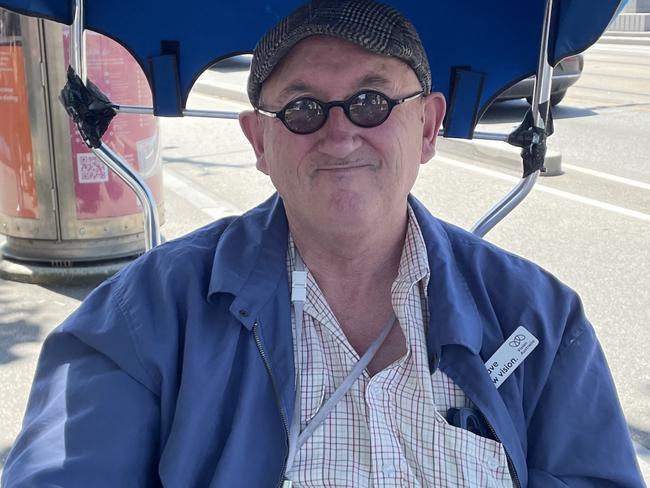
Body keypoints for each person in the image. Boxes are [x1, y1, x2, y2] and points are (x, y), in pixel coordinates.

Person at [2, 1, 644, 487]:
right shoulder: (139, 320)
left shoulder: (541, 322)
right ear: (259, 142)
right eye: (304, 108)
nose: (340, 135)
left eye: (371, 101)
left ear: (427, 125)